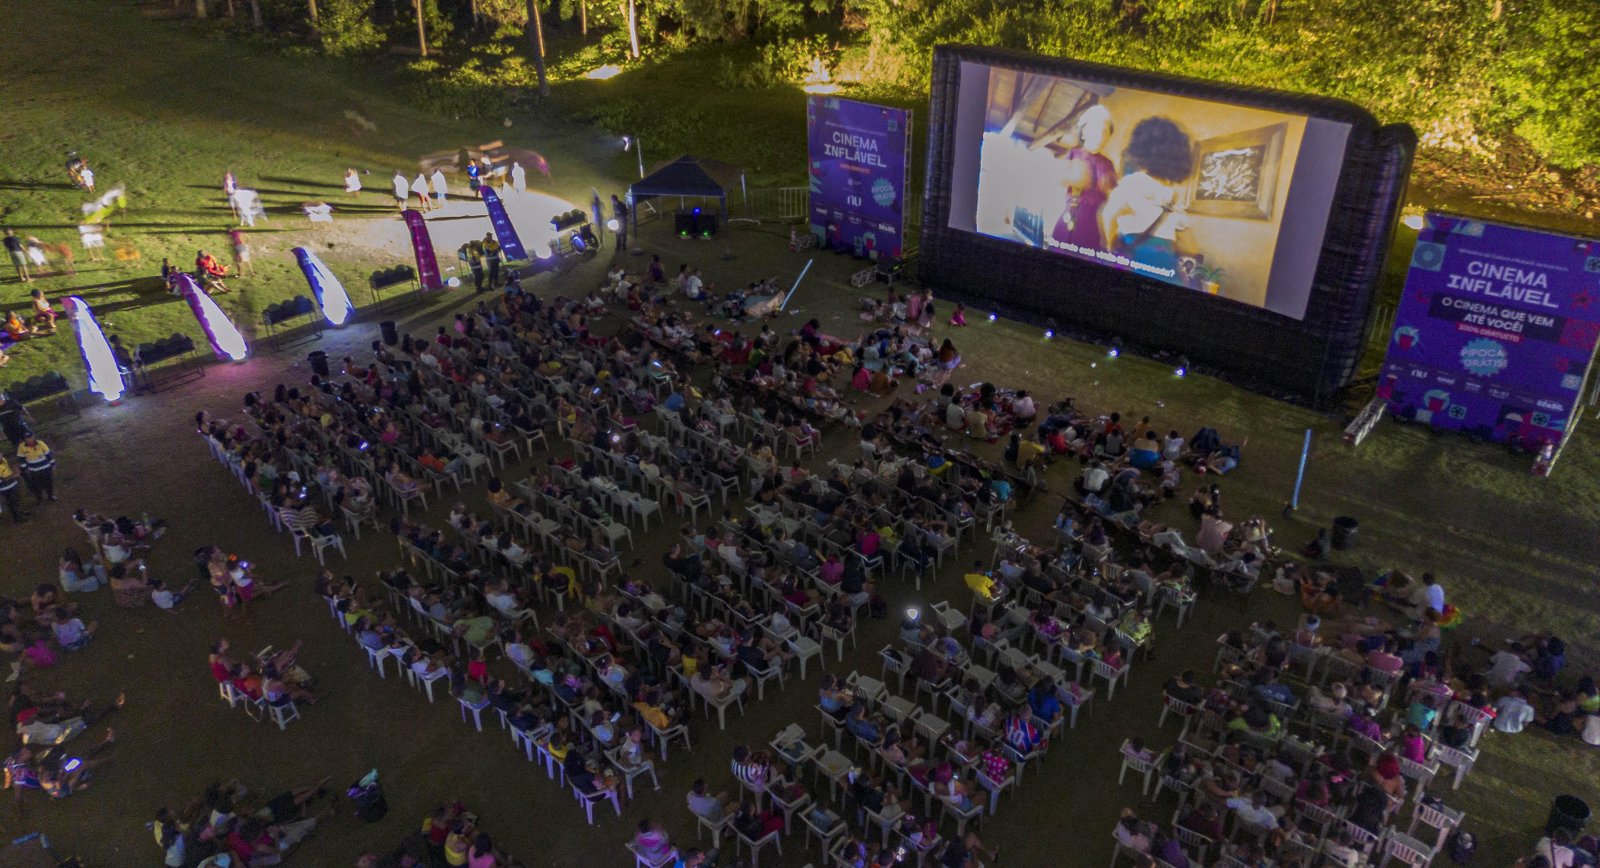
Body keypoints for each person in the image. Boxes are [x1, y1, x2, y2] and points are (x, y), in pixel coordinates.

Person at [17, 433, 55, 502]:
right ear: (25, 439)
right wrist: (25, 468)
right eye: (27, 438)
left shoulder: (40, 443)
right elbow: (21, 458)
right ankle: (39, 498)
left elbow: (48, 454)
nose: (29, 439)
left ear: (33, 437)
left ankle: (50, 496)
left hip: (45, 468)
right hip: (33, 470)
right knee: (36, 485)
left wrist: (52, 463)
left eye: (30, 437)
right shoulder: (21, 446)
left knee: (48, 483)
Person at [0, 455, 25, 522]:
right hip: (5, 488)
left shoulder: (3, 460)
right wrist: (16, 474)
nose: (0, 456)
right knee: (12, 503)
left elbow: (8, 468)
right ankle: (17, 518)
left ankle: (20, 513)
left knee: (16, 500)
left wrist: (14, 469)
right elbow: (5, 478)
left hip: (12, 484)